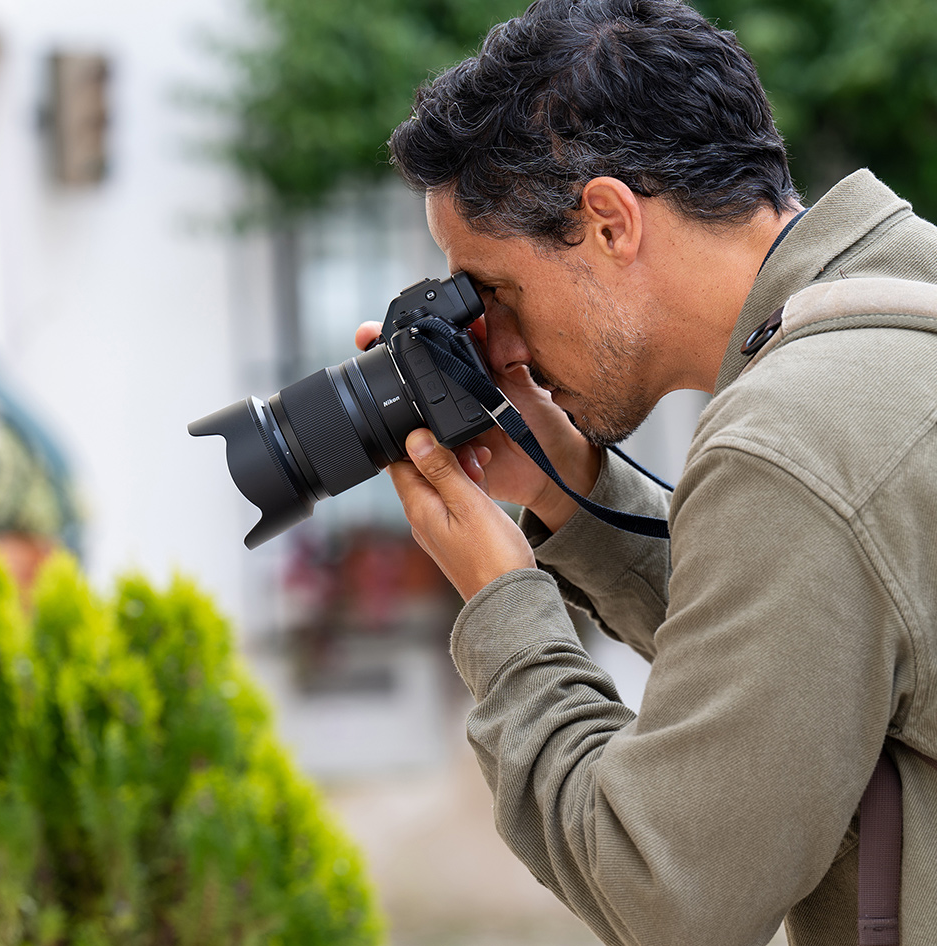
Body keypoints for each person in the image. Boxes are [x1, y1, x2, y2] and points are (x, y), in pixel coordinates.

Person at [352, 0, 937, 943]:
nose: (493, 342)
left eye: (493, 289)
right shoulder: (903, 325)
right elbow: (804, 664)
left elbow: (668, 890)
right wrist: (563, 489)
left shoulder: (793, 439)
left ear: (611, 222)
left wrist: (504, 600)